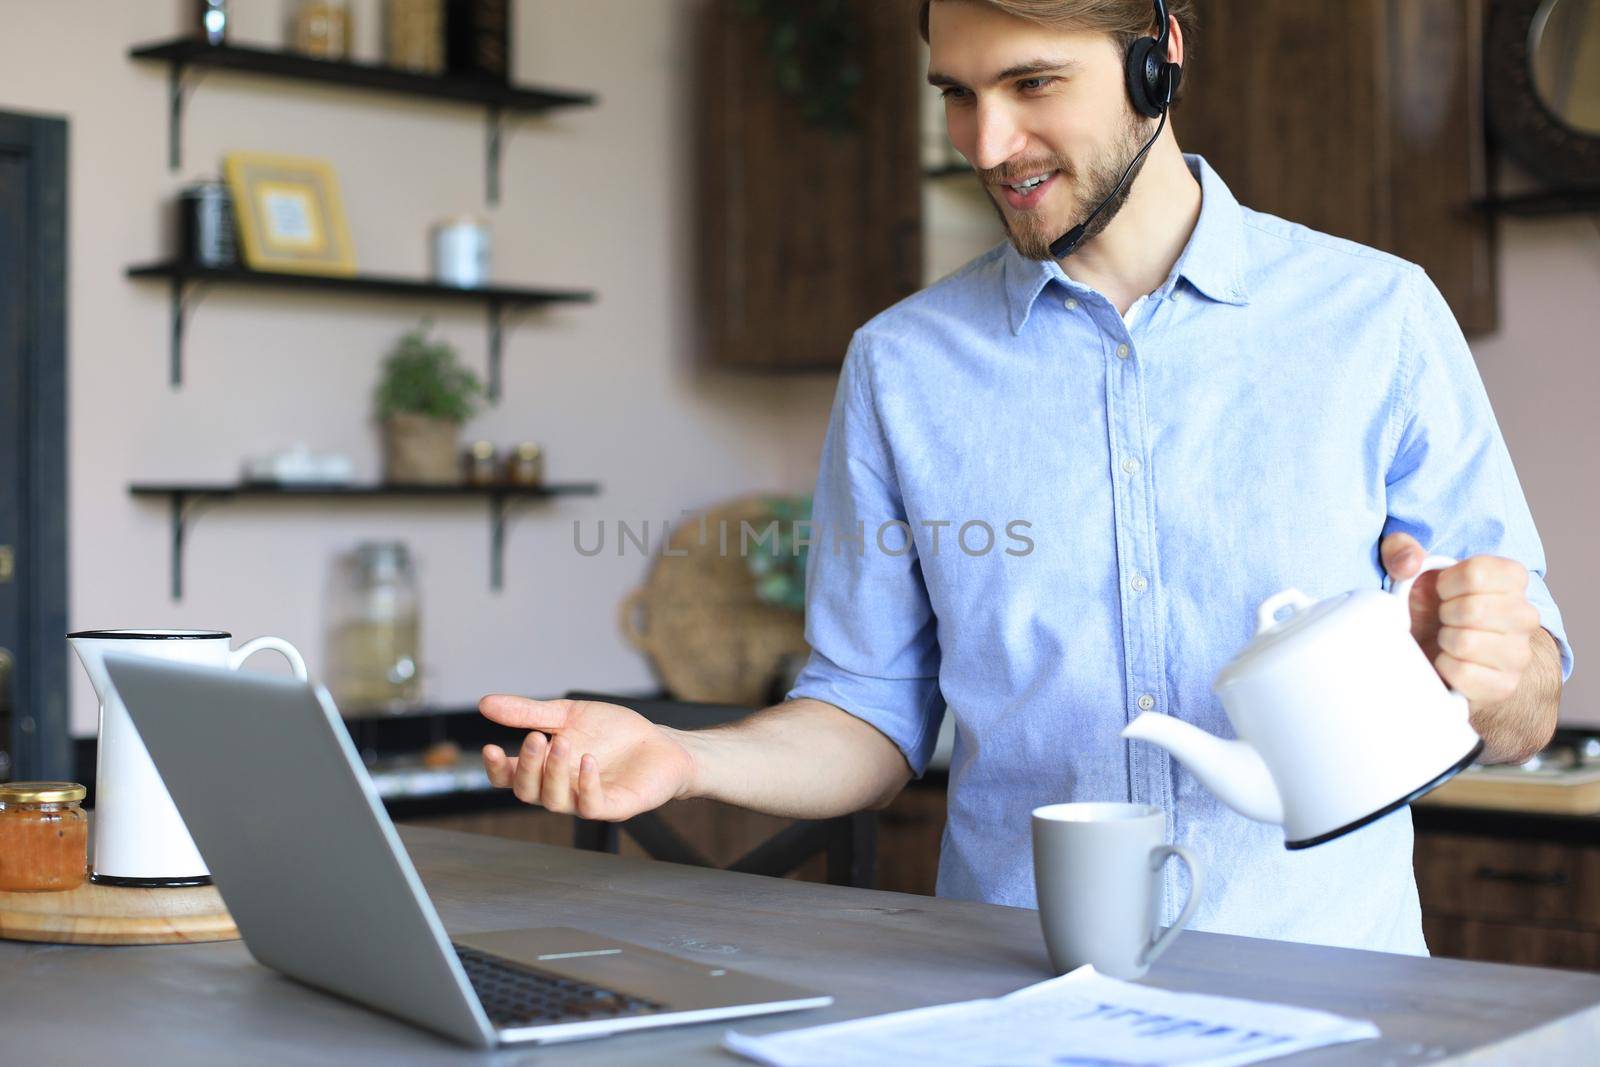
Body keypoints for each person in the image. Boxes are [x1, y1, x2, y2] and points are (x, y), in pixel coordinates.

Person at [478, 0, 1571, 955]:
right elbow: (865, 712)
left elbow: (1524, 707)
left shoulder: (1377, 319)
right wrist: (680, 755)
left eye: (1032, 82)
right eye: (956, 93)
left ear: (1161, 59)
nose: (989, 141)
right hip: (1011, 1002)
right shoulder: (900, 367)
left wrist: (1490, 664)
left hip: (1331, 999)